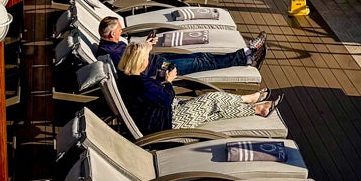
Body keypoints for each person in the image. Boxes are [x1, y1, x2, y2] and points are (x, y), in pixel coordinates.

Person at [115, 41, 282, 134]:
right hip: (169, 121)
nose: (147, 61)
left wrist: (161, 83)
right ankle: (249, 99)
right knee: (212, 99)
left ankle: (258, 109)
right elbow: (166, 99)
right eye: (146, 58)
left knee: (213, 111)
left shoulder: (126, 77)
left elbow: (155, 96)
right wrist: (168, 81)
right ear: (139, 62)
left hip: (161, 116)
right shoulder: (140, 83)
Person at [94, 15, 267, 76]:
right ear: (110, 34)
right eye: (119, 31)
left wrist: (146, 45)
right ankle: (246, 55)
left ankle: (246, 56)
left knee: (201, 55)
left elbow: (134, 56)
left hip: (157, 60)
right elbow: (133, 68)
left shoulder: (110, 45)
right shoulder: (111, 53)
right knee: (202, 62)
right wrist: (146, 49)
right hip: (159, 70)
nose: (122, 32)